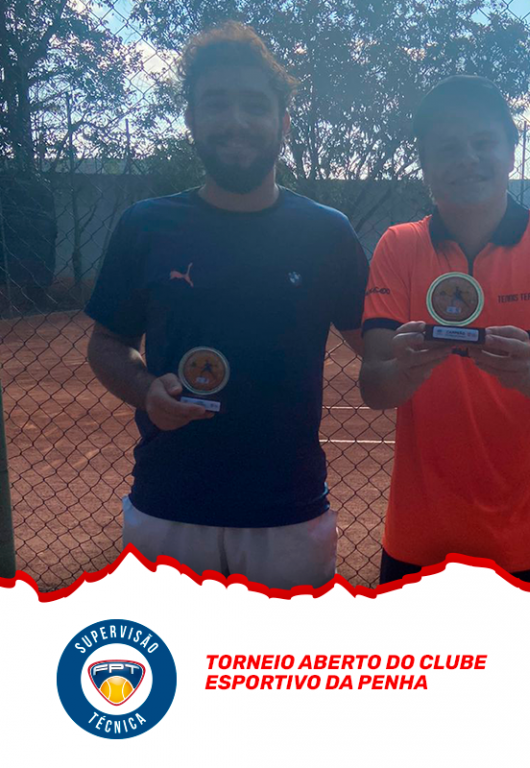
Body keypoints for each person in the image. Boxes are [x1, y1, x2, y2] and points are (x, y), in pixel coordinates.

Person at [86, 23, 368, 589]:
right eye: (216, 104)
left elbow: (376, 347)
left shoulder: (327, 233)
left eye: (255, 106)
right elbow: (108, 344)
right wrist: (146, 390)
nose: (236, 121)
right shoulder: (146, 224)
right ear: (191, 118)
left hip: (288, 513)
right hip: (167, 506)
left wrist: (443, 335)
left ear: (283, 123)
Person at [360, 75, 530, 585]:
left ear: (511, 152)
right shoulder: (398, 245)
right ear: (424, 162)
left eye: (483, 142)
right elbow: (374, 386)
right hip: (421, 542)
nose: (468, 159)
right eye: (448, 148)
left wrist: (528, 373)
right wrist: (406, 370)